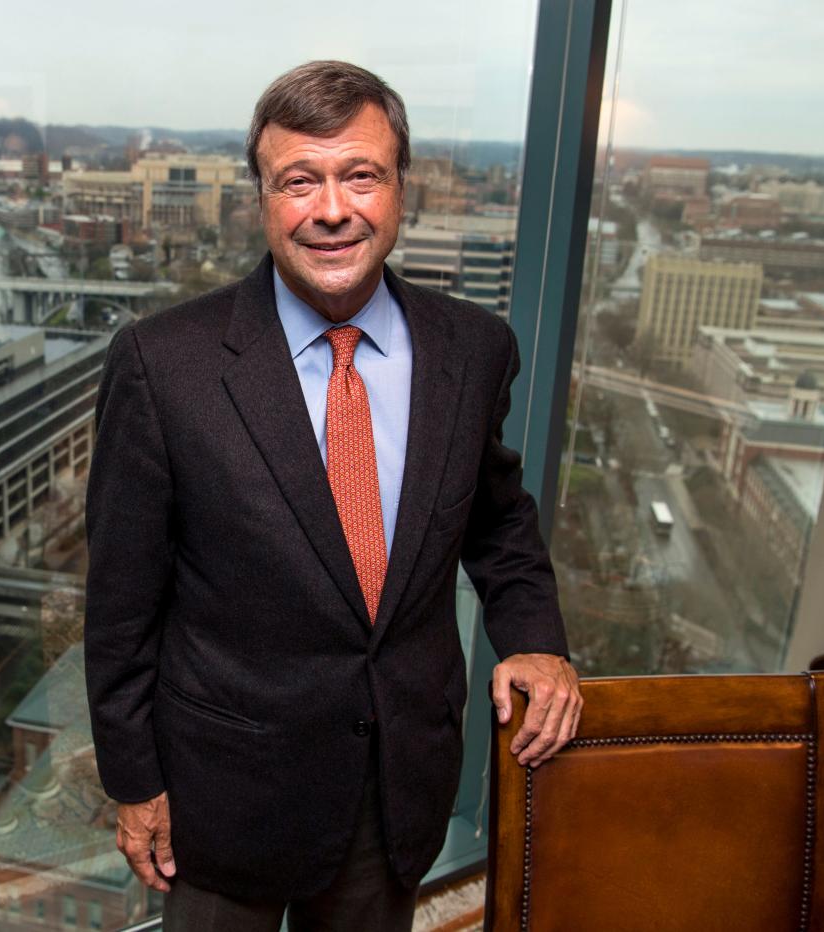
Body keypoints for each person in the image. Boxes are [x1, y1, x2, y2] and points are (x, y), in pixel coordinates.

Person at [83, 60, 581, 931]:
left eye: (361, 175)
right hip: (220, 799)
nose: (333, 210)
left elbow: (498, 522)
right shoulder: (166, 365)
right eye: (299, 181)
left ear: (400, 188)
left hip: (393, 788)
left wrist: (535, 639)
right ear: (262, 198)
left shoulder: (474, 350)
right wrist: (133, 779)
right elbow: (122, 599)